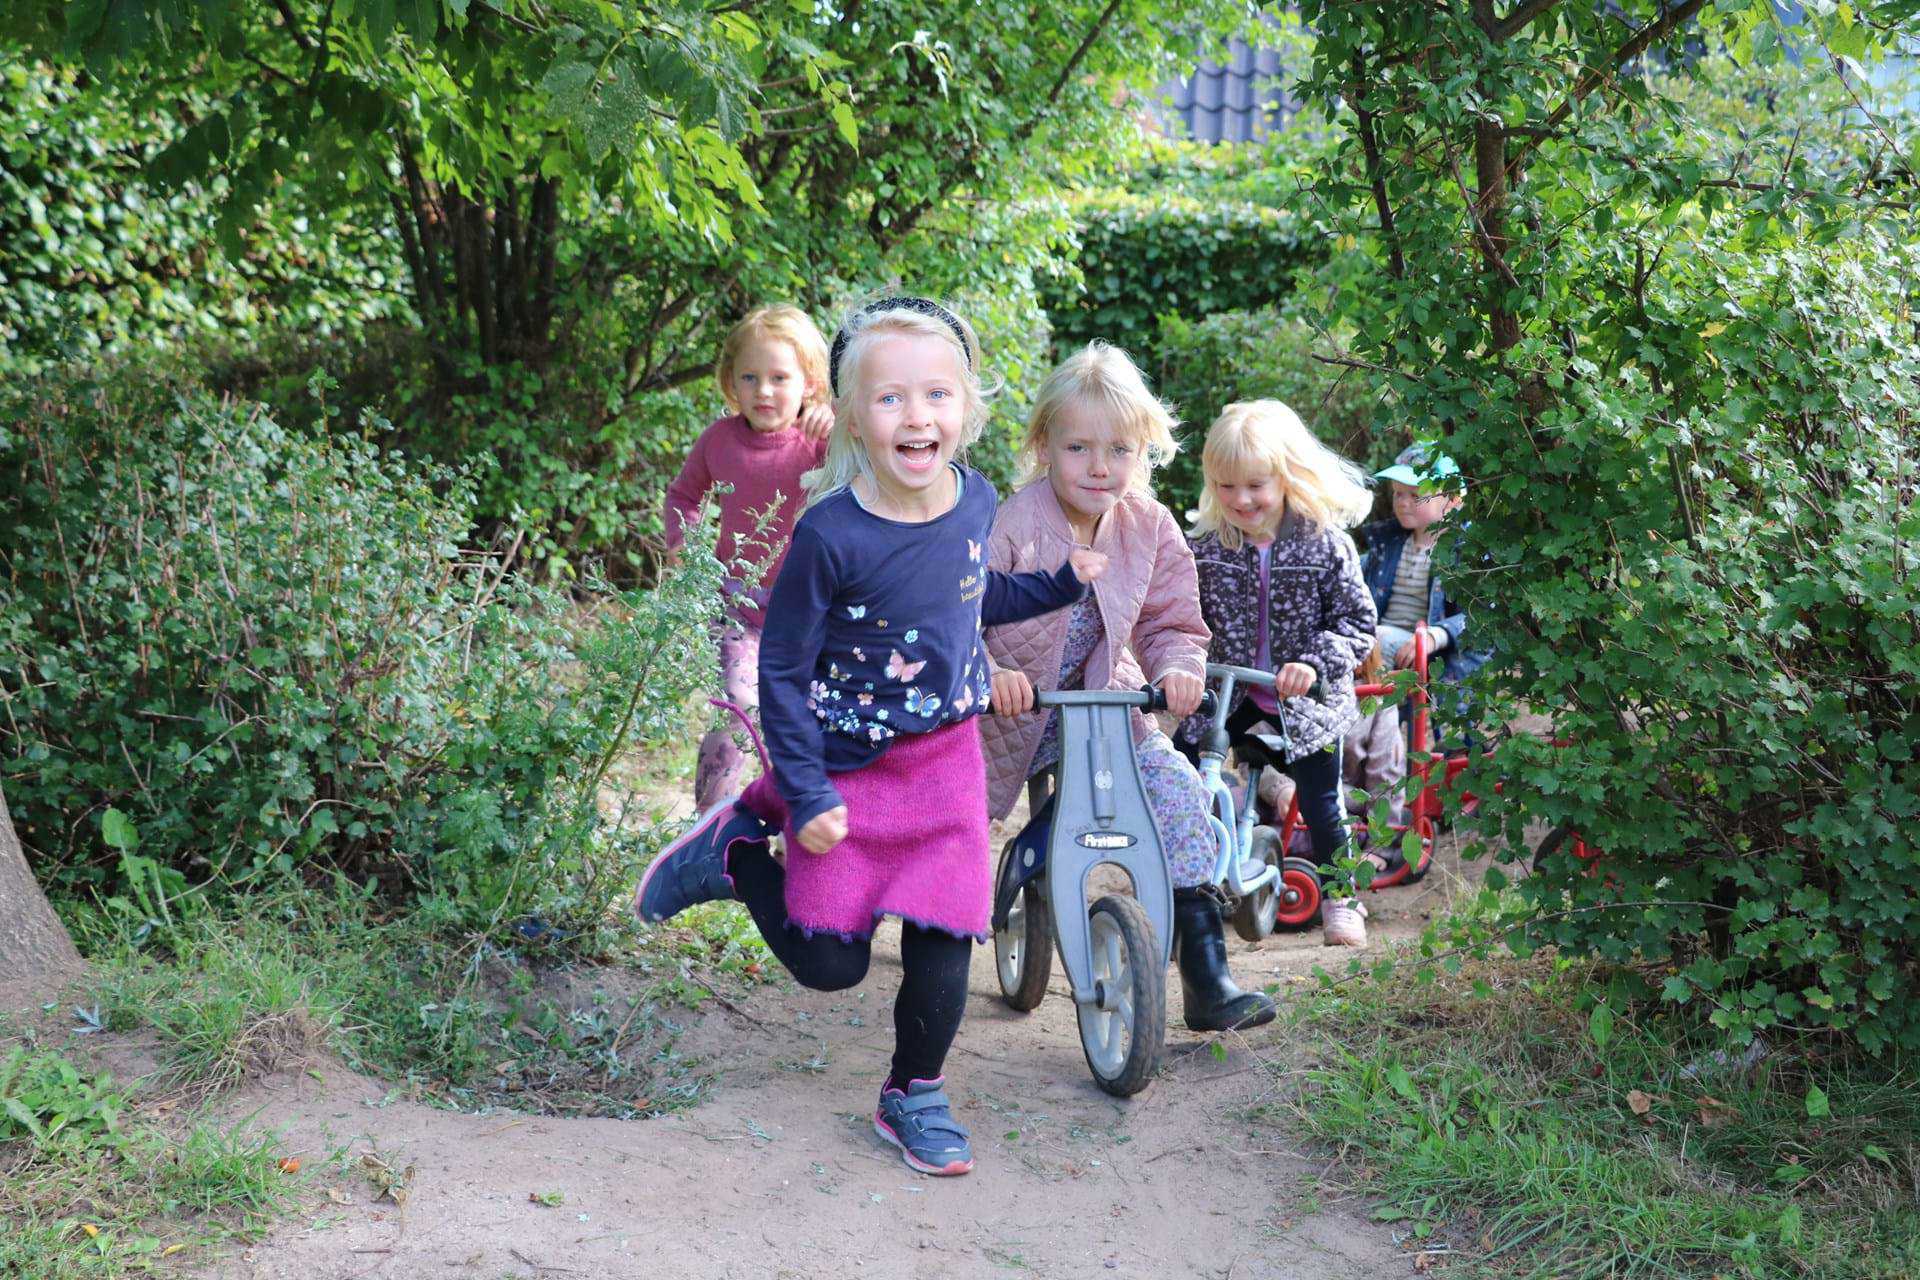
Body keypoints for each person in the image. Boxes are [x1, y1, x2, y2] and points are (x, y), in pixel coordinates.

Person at [634, 296, 1104, 1177]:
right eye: (890, 399)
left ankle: (913, 1093)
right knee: (827, 966)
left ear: (966, 408)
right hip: (847, 771)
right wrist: (806, 792)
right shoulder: (830, 533)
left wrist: (1050, 586)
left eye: (936, 395)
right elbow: (782, 672)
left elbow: (969, 600)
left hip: (946, 769)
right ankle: (737, 850)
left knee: (943, 929)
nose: (916, 416)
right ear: (851, 414)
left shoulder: (976, 502)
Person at [980, 342, 1275, 1032]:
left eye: (1119, 449)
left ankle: (1207, 975)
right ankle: (930, 916)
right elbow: (962, 612)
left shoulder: (1148, 525)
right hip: (1016, 712)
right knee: (950, 810)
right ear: (1045, 444)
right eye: (1079, 447)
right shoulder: (1013, 522)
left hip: (1109, 710)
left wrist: (1177, 669)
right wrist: (989, 672)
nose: (1100, 466)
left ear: (1143, 451)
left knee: (1176, 793)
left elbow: (1175, 621)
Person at [1174, 401, 1378, 948]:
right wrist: (1183, 662)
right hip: (1228, 693)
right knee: (1191, 782)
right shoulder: (1206, 549)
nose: (1241, 501)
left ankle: (1341, 895)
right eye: (1225, 486)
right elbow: (1181, 614)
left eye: (1255, 486)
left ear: (1285, 476)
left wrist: (1312, 663)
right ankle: (1188, 892)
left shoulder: (1324, 543)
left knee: (1321, 802)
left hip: (1304, 702)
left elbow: (1358, 622)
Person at [663, 304, 835, 811]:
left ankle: (797, 824)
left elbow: (869, 481)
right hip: (740, 611)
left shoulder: (822, 441)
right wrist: (686, 548)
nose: (763, 390)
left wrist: (843, 424)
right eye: (750, 377)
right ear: (730, 383)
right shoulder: (719, 441)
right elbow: (684, 496)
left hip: (810, 618)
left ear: (809, 384)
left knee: (804, 722)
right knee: (738, 706)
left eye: (779, 377)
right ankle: (711, 823)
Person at [1360, 442, 1490, 750]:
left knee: (1373, 645)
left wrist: (1437, 635)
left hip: (1430, 644)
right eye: (1398, 494)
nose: (1403, 503)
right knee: (1365, 657)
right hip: (1386, 641)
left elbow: (1481, 614)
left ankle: (1458, 751)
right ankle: (1370, 754)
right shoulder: (1387, 543)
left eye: (1416, 495)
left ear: (1452, 501)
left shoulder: (1465, 550)